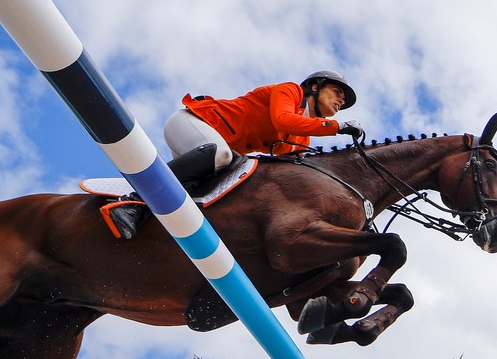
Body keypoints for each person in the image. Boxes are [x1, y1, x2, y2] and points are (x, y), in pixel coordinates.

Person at [110, 70, 364, 239]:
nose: (341, 101)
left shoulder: (303, 138)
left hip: (211, 158)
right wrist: (337, 127)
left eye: (343, 100)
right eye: (337, 93)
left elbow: (289, 173)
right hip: (193, 123)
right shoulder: (290, 91)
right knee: (222, 155)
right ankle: (132, 201)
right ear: (314, 87)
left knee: (219, 196)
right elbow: (283, 120)